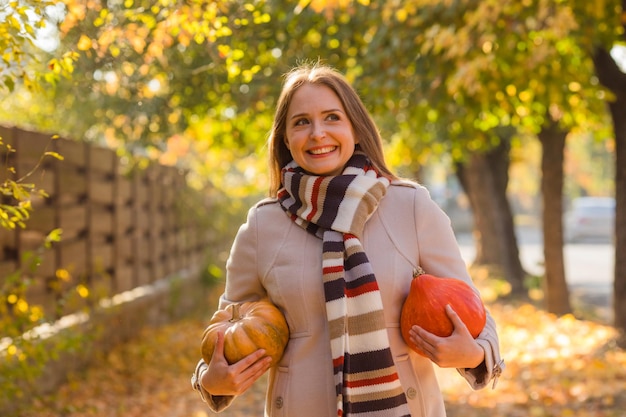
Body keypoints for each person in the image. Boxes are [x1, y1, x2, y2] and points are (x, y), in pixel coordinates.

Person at [191, 63, 503, 417]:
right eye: (301, 122)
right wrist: (209, 379)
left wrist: (475, 354)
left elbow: (473, 311)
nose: (317, 133)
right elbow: (227, 325)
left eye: (332, 117)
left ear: (355, 128)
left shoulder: (411, 206)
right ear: (285, 139)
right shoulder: (264, 225)